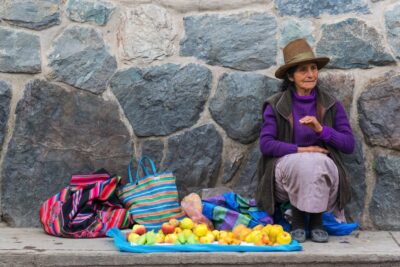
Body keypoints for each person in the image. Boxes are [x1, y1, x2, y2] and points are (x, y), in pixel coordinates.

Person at [255, 38, 355, 243]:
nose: (311, 74)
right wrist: (303, 149)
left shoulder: (331, 104)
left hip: (326, 174)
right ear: (291, 76)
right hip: (284, 176)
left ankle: (313, 221)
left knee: (316, 161)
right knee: (306, 160)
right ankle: (301, 221)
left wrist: (321, 129)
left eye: (313, 68)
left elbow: (348, 145)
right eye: (303, 70)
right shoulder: (275, 105)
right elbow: (266, 145)